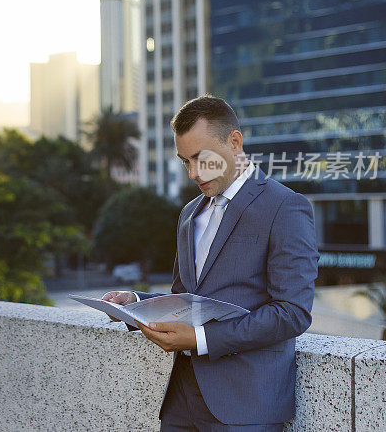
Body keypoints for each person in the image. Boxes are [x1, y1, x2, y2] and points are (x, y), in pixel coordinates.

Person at [103, 95, 319, 431]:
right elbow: (183, 300)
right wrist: (133, 303)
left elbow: (292, 312)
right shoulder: (190, 214)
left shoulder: (286, 207)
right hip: (181, 400)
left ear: (234, 142)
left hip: (244, 407)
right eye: (184, 161)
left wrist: (201, 339)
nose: (193, 173)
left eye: (202, 158)